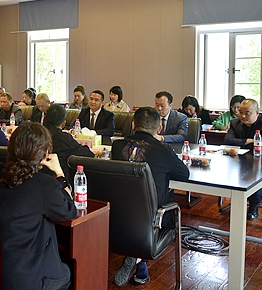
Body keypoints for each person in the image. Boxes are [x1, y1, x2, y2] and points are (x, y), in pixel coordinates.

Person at [0, 122, 76, 290]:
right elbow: (69, 209)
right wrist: (59, 173)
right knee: (69, 272)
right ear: (44, 153)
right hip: (29, 278)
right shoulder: (44, 185)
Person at [111, 107, 189, 286]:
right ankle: (139, 260)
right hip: (154, 218)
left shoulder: (117, 146)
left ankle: (138, 261)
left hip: (120, 214)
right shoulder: (164, 151)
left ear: (133, 125)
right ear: (159, 128)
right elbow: (184, 175)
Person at [224, 99, 262, 220]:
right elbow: (227, 141)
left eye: (247, 113)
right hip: (240, 162)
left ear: (257, 113)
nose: (243, 116)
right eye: (240, 112)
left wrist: (241, 143)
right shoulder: (235, 123)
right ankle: (260, 198)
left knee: (256, 181)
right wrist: (248, 141)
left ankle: (253, 207)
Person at [43, 104, 94, 179]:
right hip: (57, 180)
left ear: (45, 118)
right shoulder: (64, 138)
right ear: (63, 123)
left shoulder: (34, 134)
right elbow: (88, 154)